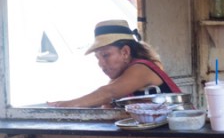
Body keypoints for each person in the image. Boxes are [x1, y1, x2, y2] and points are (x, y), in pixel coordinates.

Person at [49, 19, 181, 108]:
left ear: (125, 52)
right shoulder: (121, 76)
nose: (101, 64)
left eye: (106, 55)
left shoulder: (141, 68)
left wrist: (63, 106)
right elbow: (105, 102)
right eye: (98, 58)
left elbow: (108, 93)